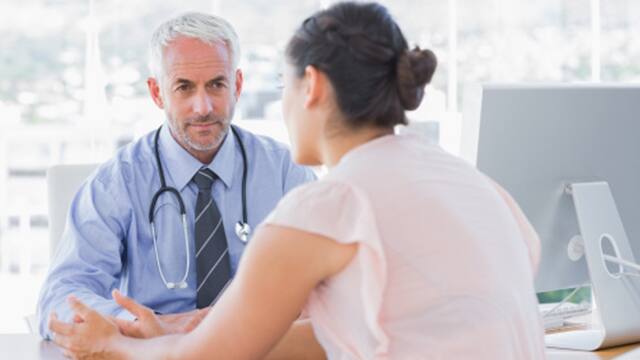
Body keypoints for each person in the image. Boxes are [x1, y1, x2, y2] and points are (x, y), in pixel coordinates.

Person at [49, 2, 546, 358]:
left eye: (283, 85)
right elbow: (334, 332)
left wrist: (112, 345)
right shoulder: (472, 181)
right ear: (159, 92)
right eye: (186, 87)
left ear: (314, 87)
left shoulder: (326, 203)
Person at [37, 12, 315, 339]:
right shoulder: (117, 183)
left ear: (237, 85)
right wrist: (149, 325)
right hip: (155, 348)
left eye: (216, 84)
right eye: (184, 87)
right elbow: (60, 299)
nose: (203, 107)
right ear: (157, 93)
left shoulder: (285, 172)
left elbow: (329, 286)